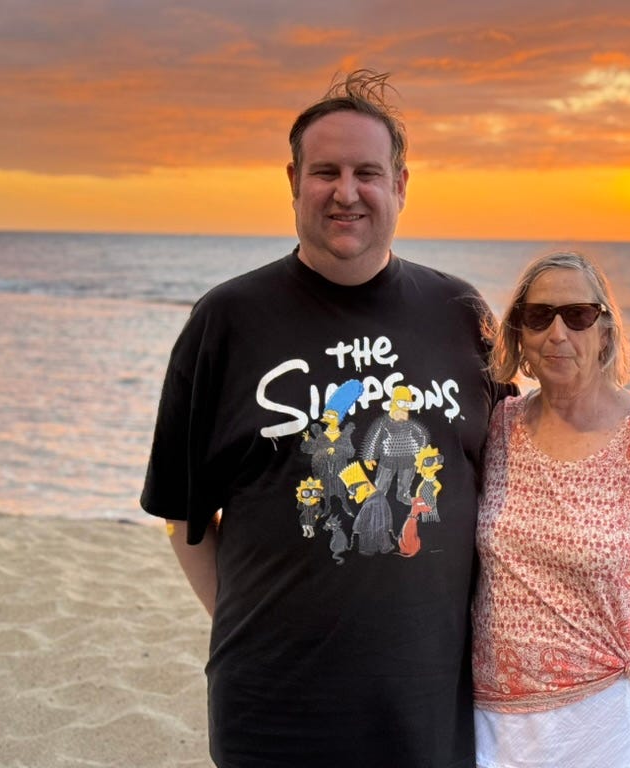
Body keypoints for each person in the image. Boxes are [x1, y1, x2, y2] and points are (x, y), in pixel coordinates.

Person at [141, 69, 512, 768]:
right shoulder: (227, 321)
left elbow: (508, 491)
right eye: (326, 172)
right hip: (274, 710)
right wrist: (257, 631)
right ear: (292, 181)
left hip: (431, 710)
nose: (347, 193)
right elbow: (183, 520)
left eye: (368, 172)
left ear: (401, 184)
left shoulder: (462, 317)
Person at [472, 251, 630, 768]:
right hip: (493, 723)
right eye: (539, 317)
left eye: (578, 315)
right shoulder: (496, 427)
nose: (557, 333)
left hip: (610, 715)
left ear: (605, 331)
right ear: (519, 334)